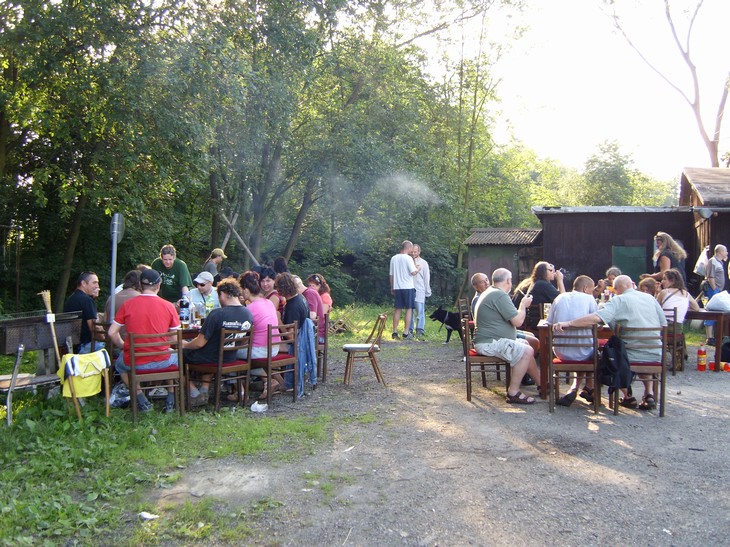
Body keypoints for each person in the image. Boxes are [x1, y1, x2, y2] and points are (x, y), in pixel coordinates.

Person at [553, 274, 667, 411]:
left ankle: (624, 395)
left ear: (617, 289)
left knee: (609, 355)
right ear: (631, 285)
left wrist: (569, 323)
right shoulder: (650, 298)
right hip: (655, 352)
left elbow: (597, 318)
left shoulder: (618, 300)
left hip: (628, 356)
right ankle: (649, 393)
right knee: (636, 349)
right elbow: (663, 323)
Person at [107, 269, 181, 414]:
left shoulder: (128, 305)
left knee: (120, 365)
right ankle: (171, 398)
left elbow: (111, 332)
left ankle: (142, 399)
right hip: (162, 361)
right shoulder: (168, 306)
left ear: (140, 285)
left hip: (135, 362)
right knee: (175, 356)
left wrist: (124, 346)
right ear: (159, 285)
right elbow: (174, 338)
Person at [472, 268, 541, 404]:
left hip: (490, 340)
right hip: (489, 343)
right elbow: (518, 321)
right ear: (508, 280)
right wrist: (523, 305)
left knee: (526, 345)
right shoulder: (499, 295)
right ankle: (513, 393)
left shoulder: (492, 292)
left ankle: (542, 384)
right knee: (527, 350)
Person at [182, 278, 253, 404]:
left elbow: (199, 343)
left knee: (179, 355)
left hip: (210, 358)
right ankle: (204, 389)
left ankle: (194, 393)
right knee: (208, 349)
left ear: (223, 294)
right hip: (230, 357)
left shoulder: (217, 314)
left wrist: (185, 344)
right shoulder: (248, 313)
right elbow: (243, 341)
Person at [546, 275, 598, 407]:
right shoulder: (589, 299)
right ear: (586, 288)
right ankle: (589, 387)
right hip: (584, 351)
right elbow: (597, 323)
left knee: (587, 350)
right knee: (597, 352)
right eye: (592, 290)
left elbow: (549, 323)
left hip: (560, 351)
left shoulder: (559, 298)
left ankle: (578, 388)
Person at [63, 271, 101, 354]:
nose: (97, 286)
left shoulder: (71, 299)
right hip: (85, 346)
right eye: (94, 283)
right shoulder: (87, 300)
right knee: (114, 348)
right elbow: (93, 327)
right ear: (83, 283)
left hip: (72, 346)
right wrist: (105, 338)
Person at [389, 240, 420, 339]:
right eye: (411, 248)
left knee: (397, 309)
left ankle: (394, 331)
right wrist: (418, 268)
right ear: (409, 248)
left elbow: (391, 274)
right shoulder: (408, 258)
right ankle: (406, 332)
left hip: (397, 287)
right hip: (408, 287)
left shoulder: (393, 258)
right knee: (409, 309)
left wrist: (392, 287)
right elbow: (413, 272)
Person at [703, 244, 727, 345]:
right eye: (725, 251)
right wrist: (715, 289)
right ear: (719, 252)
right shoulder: (712, 261)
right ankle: (709, 337)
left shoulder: (719, 262)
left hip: (717, 290)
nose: (727, 253)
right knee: (711, 312)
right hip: (713, 290)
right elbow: (710, 277)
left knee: (715, 312)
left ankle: (712, 336)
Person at [409, 244, 432, 337]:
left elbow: (427, 278)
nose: (413, 253)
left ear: (419, 252)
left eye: (415, 251)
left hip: (420, 290)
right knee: (409, 311)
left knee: (420, 311)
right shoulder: (408, 261)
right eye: (412, 251)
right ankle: (409, 329)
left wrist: (427, 290)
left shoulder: (424, 263)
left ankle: (420, 329)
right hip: (409, 289)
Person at [294, 275, 325, 343]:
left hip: (317, 335)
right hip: (313, 332)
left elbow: (312, 316)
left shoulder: (309, 293)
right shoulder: (308, 292)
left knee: (290, 341)